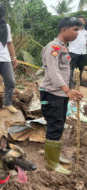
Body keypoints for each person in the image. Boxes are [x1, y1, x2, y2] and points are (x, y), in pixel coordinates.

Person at [40, 17, 83, 174]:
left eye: (79, 30)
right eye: (75, 29)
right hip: (52, 94)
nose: (77, 33)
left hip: (60, 94)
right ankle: (51, 163)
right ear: (64, 29)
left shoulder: (64, 47)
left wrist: (71, 89)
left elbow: (66, 72)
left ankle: (54, 155)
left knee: (59, 123)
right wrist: (67, 91)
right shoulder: (53, 47)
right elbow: (53, 71)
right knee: (55, 125)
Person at [69, 16, 87, 87]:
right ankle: (71, 82)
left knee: (81, 67)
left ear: (84, 22)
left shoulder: (86, 32)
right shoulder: (72, 30)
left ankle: (79, 81)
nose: (81, 22)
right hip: (73, 51)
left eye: (82, 21)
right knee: (72, 68)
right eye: (79, 20)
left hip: (83, 52)